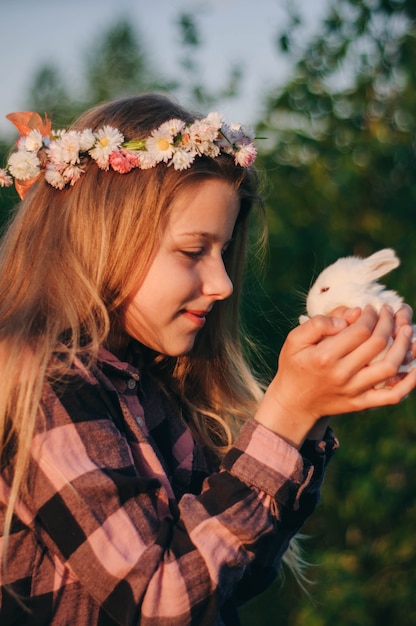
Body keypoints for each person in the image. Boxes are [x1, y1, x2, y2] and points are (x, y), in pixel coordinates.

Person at [0, 93, 415, 626]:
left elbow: (236, 574)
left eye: (223, 253)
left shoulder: (156, 381)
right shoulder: (48, 390)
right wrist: (284, 418)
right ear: (101, 239)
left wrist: (309, 417)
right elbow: (163, 600)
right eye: (193, 251)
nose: (221, 284)